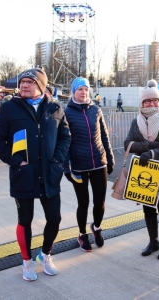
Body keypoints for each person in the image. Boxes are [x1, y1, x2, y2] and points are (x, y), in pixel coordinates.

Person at [0, 67, 71, 281]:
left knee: (54, 218)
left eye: (30, 82)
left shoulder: (54, 108)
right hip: (23, 174)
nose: (24, 85)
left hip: (49, 173)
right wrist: (16, 160)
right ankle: (27, 260)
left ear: (41, 86)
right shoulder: (8, 108)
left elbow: (65, 136)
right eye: (22, 81)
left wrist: (57, 160)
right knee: (25, 219)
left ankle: (45, 254)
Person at [124, 79, 159, 260]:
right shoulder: (136, 120)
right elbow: (127, 145)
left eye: (154, 100)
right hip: (144, 171)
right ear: (142, 103)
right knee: (148, 208)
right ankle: (153, 241)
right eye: (147, 101)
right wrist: (149, 144)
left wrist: (152, 153)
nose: (151, 104)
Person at [62, 77, 114, 252]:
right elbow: (64, 141)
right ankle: (82, 234)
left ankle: (97, 227)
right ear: (73, 92)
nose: (83, 92)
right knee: (83, 202)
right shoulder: (67, 113)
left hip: (99, 163)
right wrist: (66, 167)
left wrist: (110, 157)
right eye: (80, 90)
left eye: (86, 89)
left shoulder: (96, 110)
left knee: (100, 202)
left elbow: (105, 136)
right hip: (79, 165)